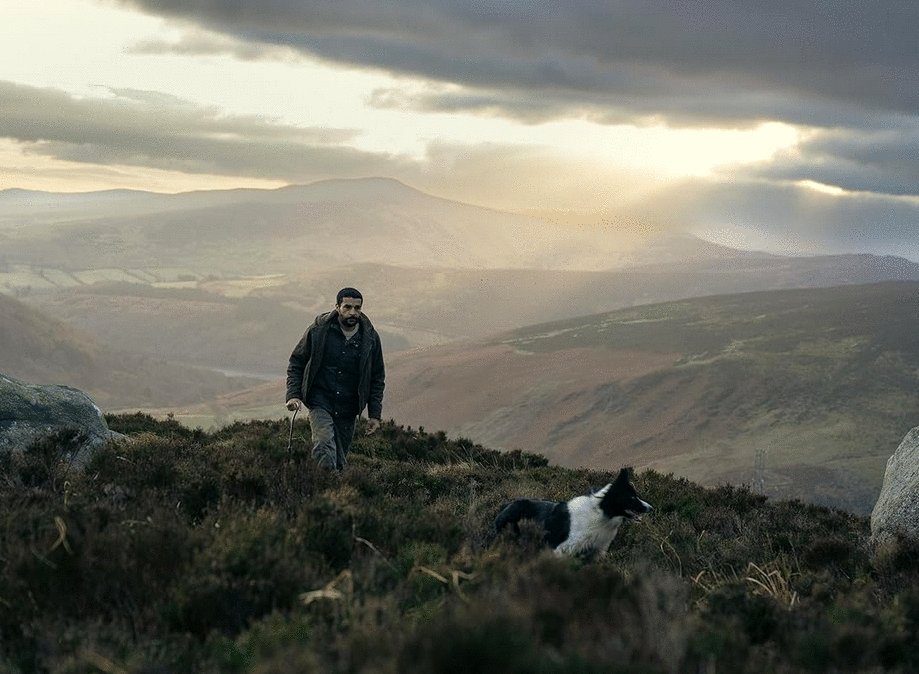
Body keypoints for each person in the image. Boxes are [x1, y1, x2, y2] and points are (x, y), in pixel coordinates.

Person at [285, 287, 385, 471]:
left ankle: (334, 495)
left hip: (349, 407)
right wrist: (293, 395)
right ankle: (323, 489)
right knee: (323, 446)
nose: (352, 312)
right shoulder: (319, 330)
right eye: (347, 307)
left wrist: (374, 415)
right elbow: (297, 362)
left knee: (339, 460)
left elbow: (377, 378)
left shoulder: (370, 338)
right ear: (337, 306)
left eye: (357, 308)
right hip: (320, 401)